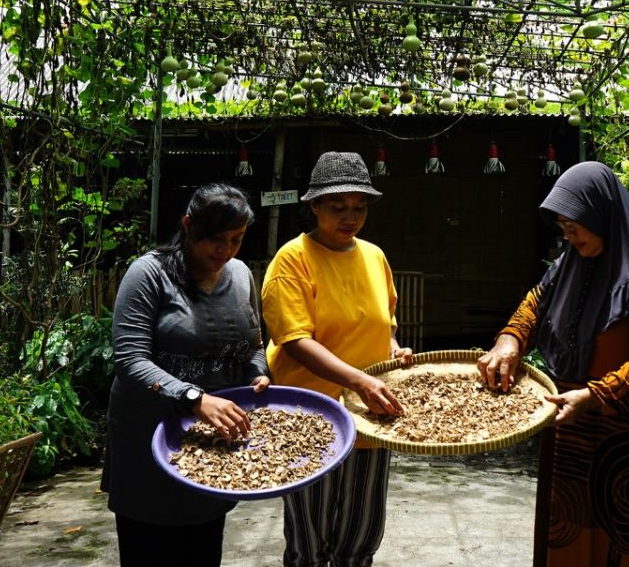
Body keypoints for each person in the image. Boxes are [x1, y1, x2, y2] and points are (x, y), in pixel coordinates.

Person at [477, 161, 629, 566]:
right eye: (561, 225)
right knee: (571, 529)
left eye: (574, 223)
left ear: (602, 213)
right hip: (574, 429)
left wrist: (595, 396)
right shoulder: (571, 265)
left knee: (622, 536)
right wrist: (510, 340)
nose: (567, 233)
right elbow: (534, 305)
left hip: (626, 438)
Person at [101, 183, 270, 567]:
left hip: (210, 443)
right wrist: (194, 398)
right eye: (215, 239)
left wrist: (258, 370)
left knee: (203, 547)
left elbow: (254, 341)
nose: (225, 251)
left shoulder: (241, 275)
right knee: (150, 548)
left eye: (236, 240)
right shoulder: (148, 274)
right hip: (147, 439)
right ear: (188, 225)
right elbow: (129, 361)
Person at [261, 151, 413, 567]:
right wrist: (359, 380)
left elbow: (385, 322)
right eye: (338, 207)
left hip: (370, 416)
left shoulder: (375, 256)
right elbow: (294, 341)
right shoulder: (292, 260)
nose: (351, 217)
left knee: (361, 533)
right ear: (314, 206)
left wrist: (394, 350)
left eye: (359, 207)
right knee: (310, 538)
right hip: (310, 416)